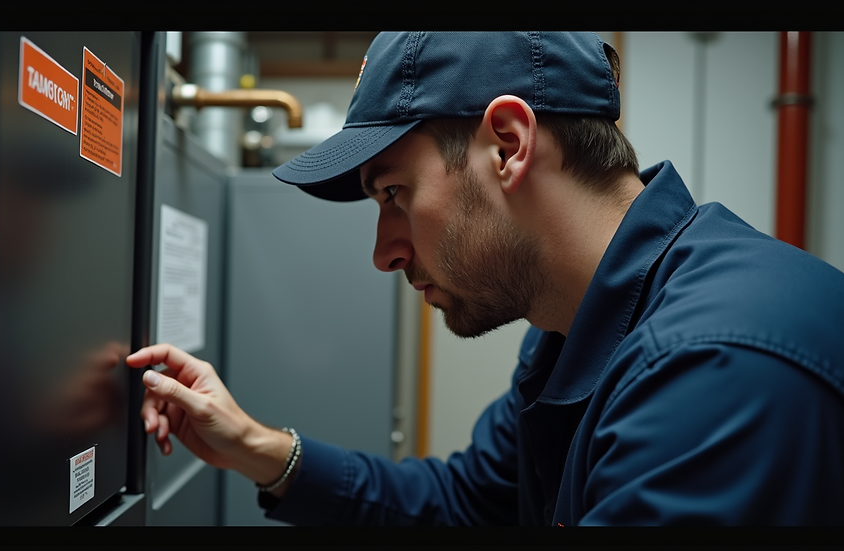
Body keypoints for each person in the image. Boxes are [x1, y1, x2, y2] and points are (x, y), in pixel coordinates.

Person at [126, 32, 844, 525]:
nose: (385, 253)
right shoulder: (573, 334)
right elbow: (469, 501)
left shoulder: (713, 374)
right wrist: (258, 448)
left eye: (393, 194)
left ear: (508, 145)